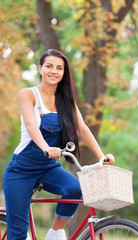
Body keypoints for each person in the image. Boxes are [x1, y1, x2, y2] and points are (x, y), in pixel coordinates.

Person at [3, 49, 115, 240]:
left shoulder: (67, 101)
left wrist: (101, 156)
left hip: (48, 168)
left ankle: (54, 233)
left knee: (75, 189)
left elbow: (82, 128)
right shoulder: (28, 94)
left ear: (64, 73)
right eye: (49, 66)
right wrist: (46, 147)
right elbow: (31, 124)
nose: (53, 71)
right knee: (18, 234)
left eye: (59, 68)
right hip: (21, 170)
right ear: (40, 69)